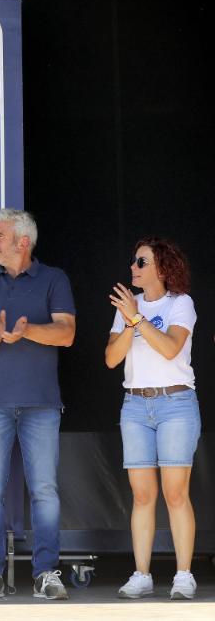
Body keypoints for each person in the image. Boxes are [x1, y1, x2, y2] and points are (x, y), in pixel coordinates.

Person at [0, 208, 76, 600]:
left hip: (42, 404)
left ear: (23, 242)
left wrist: (27, 331)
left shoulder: (54, 279)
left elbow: (66, 333)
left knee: (45, 491)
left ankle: (46, 574)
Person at [105, 238, 200, 600]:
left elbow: (171, 347)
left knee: (176, 493)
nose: (133, 267)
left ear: (162, 268)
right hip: (135, 404)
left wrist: (136, 318)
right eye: (134, 261)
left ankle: (184, 575)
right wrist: (131, 320)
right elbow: (111, 359)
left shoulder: (180, 303)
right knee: (142, 495)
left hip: (175, 402)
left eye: (141, 262)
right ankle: (141, 574)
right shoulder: (128, 306)